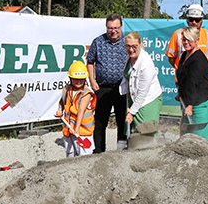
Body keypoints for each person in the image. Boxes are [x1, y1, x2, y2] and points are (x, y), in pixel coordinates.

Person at [87, 13, 128, 153]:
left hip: (122, 88)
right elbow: (90, 62)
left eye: (116, 27)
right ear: (106, 27)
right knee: (100, 122)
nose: (113, 31)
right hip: (102, 88)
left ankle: (121, 152)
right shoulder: (98, 42)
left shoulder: (128, 41)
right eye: (110, 28)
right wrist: (92, 81)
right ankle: (99, 151)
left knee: (122, 121)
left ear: (121, 27)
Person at [176, 27, 208, 141]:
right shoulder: (184, 56)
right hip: (190, 101)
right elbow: (183, 77)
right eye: (184, 39)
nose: (186, 42)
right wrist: (180, 93)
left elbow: (193, 82)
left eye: (189, 40)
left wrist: (190, 105)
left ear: (197, 40)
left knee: (201, 138)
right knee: (188, 136)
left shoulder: (198, 59)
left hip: (204, 101)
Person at [120, 31, 163, 131]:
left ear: (140, 44)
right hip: (134, 98)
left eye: (134, 46)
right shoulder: (129, 58)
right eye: (128, 46)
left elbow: (142, 93)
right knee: (133, 131)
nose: (131, 49)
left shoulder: (145, 64)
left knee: (147, 132)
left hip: (148, 100)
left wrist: (131, 112)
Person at [56, 60, 96, 156]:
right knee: (70, 153)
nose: (78, 81)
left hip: (83, 130)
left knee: (83, 156)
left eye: (81, 79)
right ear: (70, 78)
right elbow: (62, 102)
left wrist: (77, 128)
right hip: (69, 128)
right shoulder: (67, 89)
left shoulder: (86, 93)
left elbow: (81, 111)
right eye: (76, 79)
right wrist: (59, 109)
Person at [165, 4, 208, 70]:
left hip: (201, 78)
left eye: (197, 20)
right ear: (187, 19)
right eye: (191, 19)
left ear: (201, 20)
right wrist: (181, 70)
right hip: (182, 79)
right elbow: (171, 58)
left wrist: (202, 70)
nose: (194, 22)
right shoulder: (178, 34)